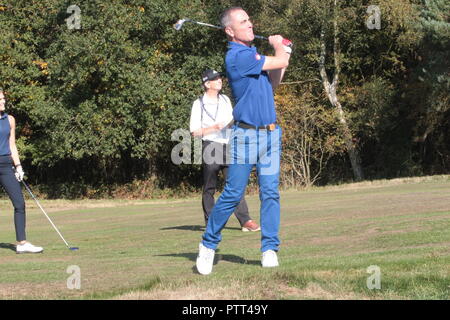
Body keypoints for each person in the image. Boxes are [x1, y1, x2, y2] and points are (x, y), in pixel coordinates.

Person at [196, 7, 291, 275]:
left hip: (271, 134)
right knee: (233, 193)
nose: (250, 24)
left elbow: (273, 82)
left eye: (249, 20)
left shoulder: (253, 56)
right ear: (230, 31)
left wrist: (286, 51)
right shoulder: (237, 56)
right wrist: (280, 47)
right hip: (246, 136)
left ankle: (269, 249)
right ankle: (208, 244)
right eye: (243, 21)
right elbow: (280, 61)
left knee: (270, 192)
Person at [190, 69, 260, 232]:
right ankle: (211, 224)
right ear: (207, 84)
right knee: (209, 188)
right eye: (216, 79)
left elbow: (232, 121)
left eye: (220, 78)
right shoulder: (198, 103)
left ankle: (246, 221)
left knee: (235, 185)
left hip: (229, 145)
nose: (220, 80)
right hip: (210, 145)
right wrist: (213, 128)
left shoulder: (225, 99)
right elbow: (194, 132)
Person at [0, 88, 43, 254]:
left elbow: (12, 145)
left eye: (3, 99)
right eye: (0, 99)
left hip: (5, 165)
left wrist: (18, 166)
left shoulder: (9, 120)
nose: (3, 101)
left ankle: (22, 243)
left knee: (19, 203)